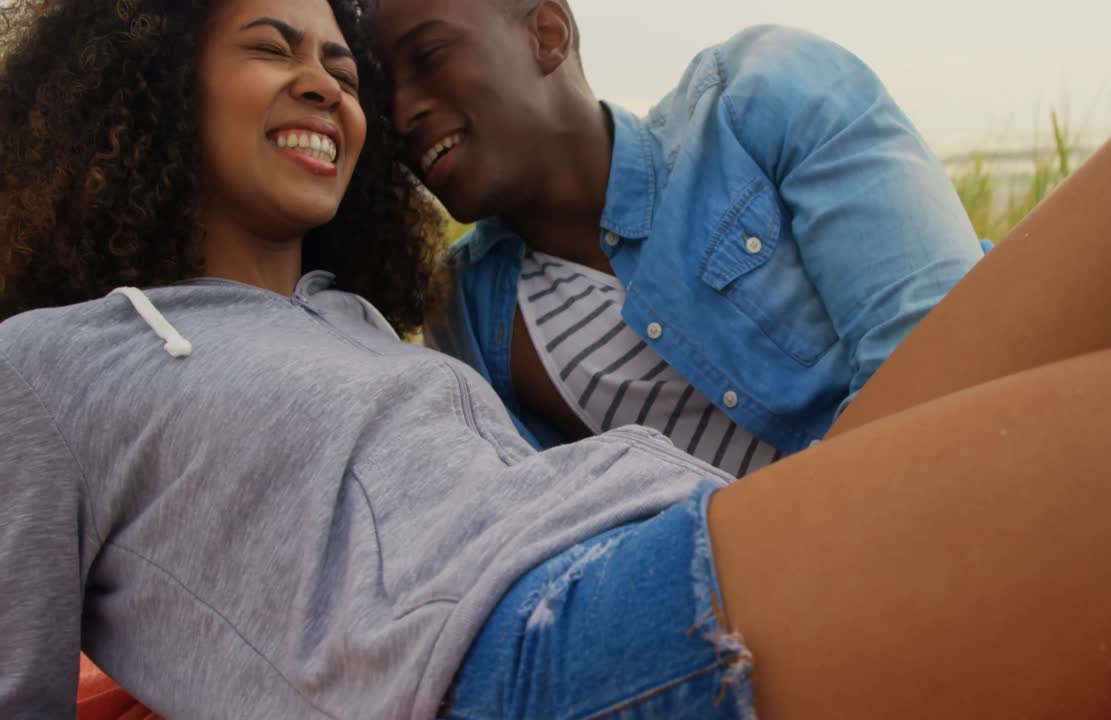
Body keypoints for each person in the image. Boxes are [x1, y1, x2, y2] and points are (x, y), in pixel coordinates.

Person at [1, 1, 1111, 719]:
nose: (334, 91)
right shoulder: (52, 365)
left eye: (346, 70)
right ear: (154, 84)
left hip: (691, 539)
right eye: (275, 47)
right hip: (548, 652)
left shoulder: (360, 325)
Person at [372, 0, 989, 475]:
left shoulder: (758, 95)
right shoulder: (470, 315)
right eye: (381, 92)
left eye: (428, 56)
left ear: (548, 33)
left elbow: (946, 357)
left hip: (983, 453)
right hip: (784, 605)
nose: (401, 115)